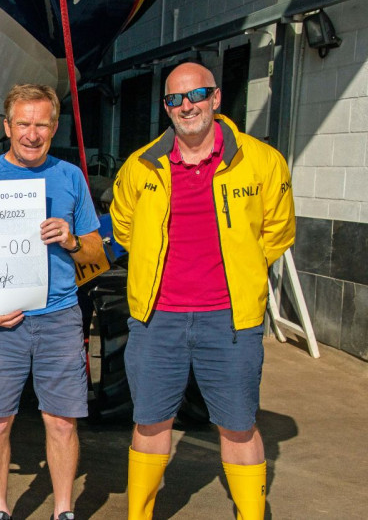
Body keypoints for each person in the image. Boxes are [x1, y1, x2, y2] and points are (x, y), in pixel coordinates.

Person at [110, 62, 295, 520]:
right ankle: (140, 514)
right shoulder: (141, 166)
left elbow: (278, 231)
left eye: (196, 96)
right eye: (175, 99)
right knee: (151, 422)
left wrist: (241, 274)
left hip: (230, 320)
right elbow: (125, 228)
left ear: (215, 98)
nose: (186, 106)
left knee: (237, 426)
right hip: (158, 318)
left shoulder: (262, 161)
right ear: (166, 108)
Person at [0, 84, 103, 520]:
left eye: (41, 124)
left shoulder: (71, 176)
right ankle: (0, 510)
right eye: (22, 123)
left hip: (60, 316)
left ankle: (64, 511)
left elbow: (97, 254)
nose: (31, 133)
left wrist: (72, 238)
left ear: (54, 127)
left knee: (62, 421)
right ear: (7, 127)